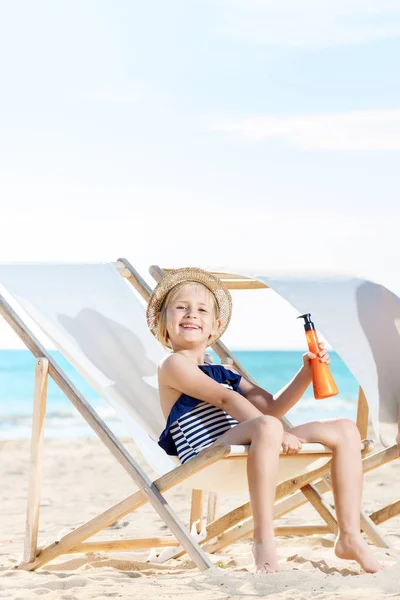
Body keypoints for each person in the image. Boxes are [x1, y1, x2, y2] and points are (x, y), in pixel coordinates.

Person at [146, 267, 383, 574]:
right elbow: (225, 399)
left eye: (202, 310)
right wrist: (273, 431)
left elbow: (271, 406)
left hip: (252, 446)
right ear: (164, 321)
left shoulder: (226, 372)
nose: (191, 314)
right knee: (269, 425)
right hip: (207, 455)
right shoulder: (172, 364)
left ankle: (350, 537)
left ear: (214, 327)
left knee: (345, 430)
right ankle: (263, 541)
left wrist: (306, 373)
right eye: (181, 308)